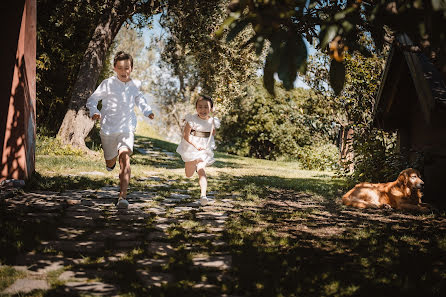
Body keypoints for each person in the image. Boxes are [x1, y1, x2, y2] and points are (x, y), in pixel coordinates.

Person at [86, 51, 155, 209]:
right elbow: (92, 99)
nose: (124, 72)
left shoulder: (135, 85)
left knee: (125, 157)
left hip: (126, 128)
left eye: (127, 68)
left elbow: (140, 100)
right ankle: (110, 164)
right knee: (111, 160)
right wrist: (94, 111)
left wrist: (147, 111)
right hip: (108, 128)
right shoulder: (108, 83)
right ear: (114, 68)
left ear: (132, 68)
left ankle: (122, 196)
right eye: (120, 68)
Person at [176, 95, 220, 206]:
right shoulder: (192, 120)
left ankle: (203, 195)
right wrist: (196, 145)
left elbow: (212, 133)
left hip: (204, 148)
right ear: (196, 108)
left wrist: (212, 126)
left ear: (211, 108)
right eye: (200, 107)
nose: (203, 109)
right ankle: (192, 166)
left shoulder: (212, 121)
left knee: (201, 168)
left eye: (206, 107)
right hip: (191, 147)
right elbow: (186, 135)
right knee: (188, 174)